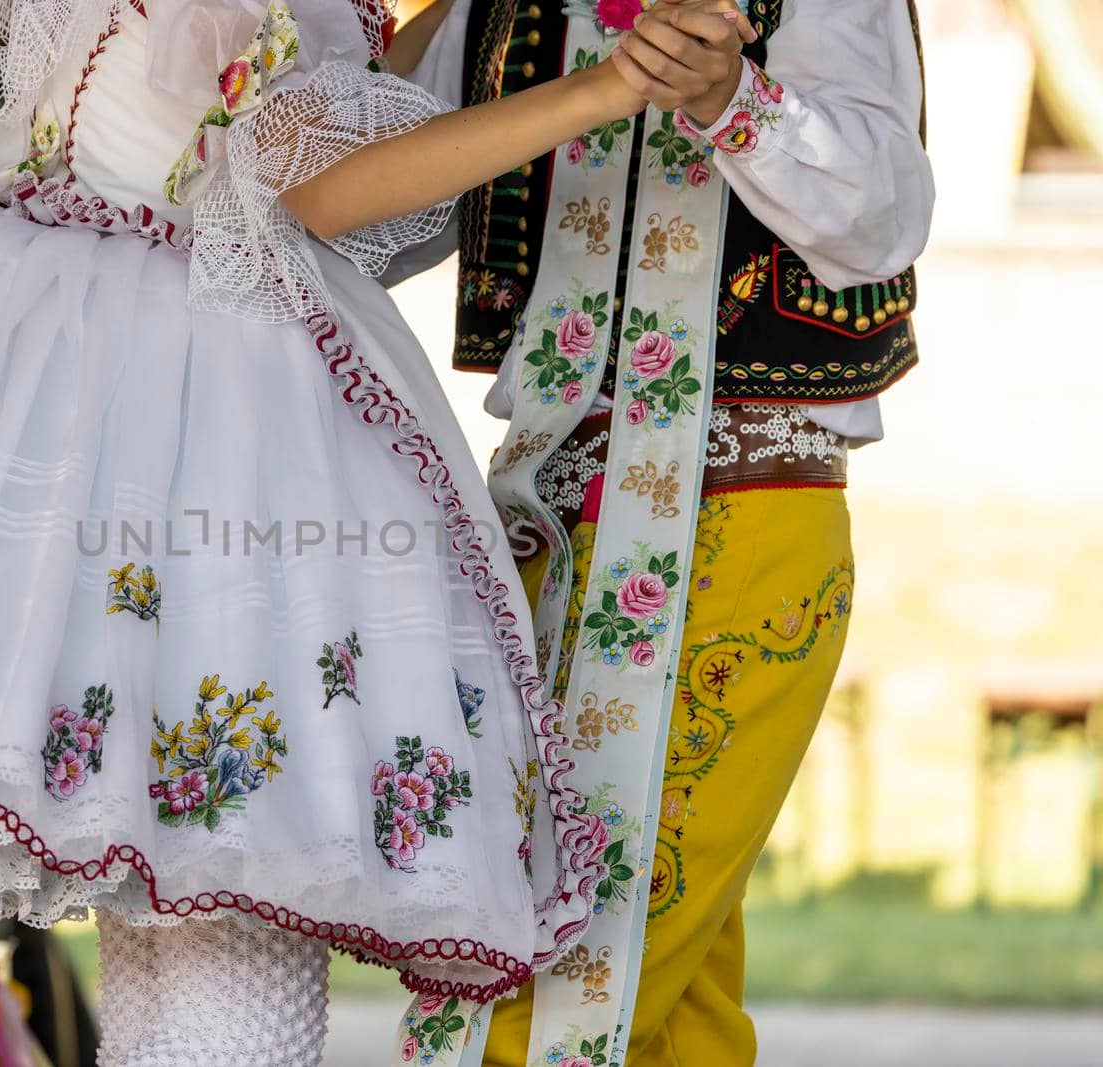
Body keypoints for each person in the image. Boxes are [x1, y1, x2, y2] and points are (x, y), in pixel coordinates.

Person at [0, 1, 754, 1064]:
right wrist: (601, 87)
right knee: (224, 871)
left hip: (34, 355)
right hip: (198, 389)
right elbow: (313, 183)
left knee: (180, 862)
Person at [386, 0, 933, 1063]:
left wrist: (736, 101)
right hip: (542, 523)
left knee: (555, 992)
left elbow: (883, 214)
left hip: (742, 510)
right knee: (667, 1006)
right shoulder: (494, 9)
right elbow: (375, 217)